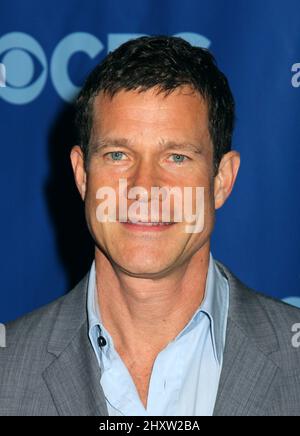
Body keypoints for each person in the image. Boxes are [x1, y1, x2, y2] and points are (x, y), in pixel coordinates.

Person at [0, 35, 299, 416]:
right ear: (82, 175)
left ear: (221, 180)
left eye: (176, 157)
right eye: (118, 154)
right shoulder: (5, 373)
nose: (143, 188)